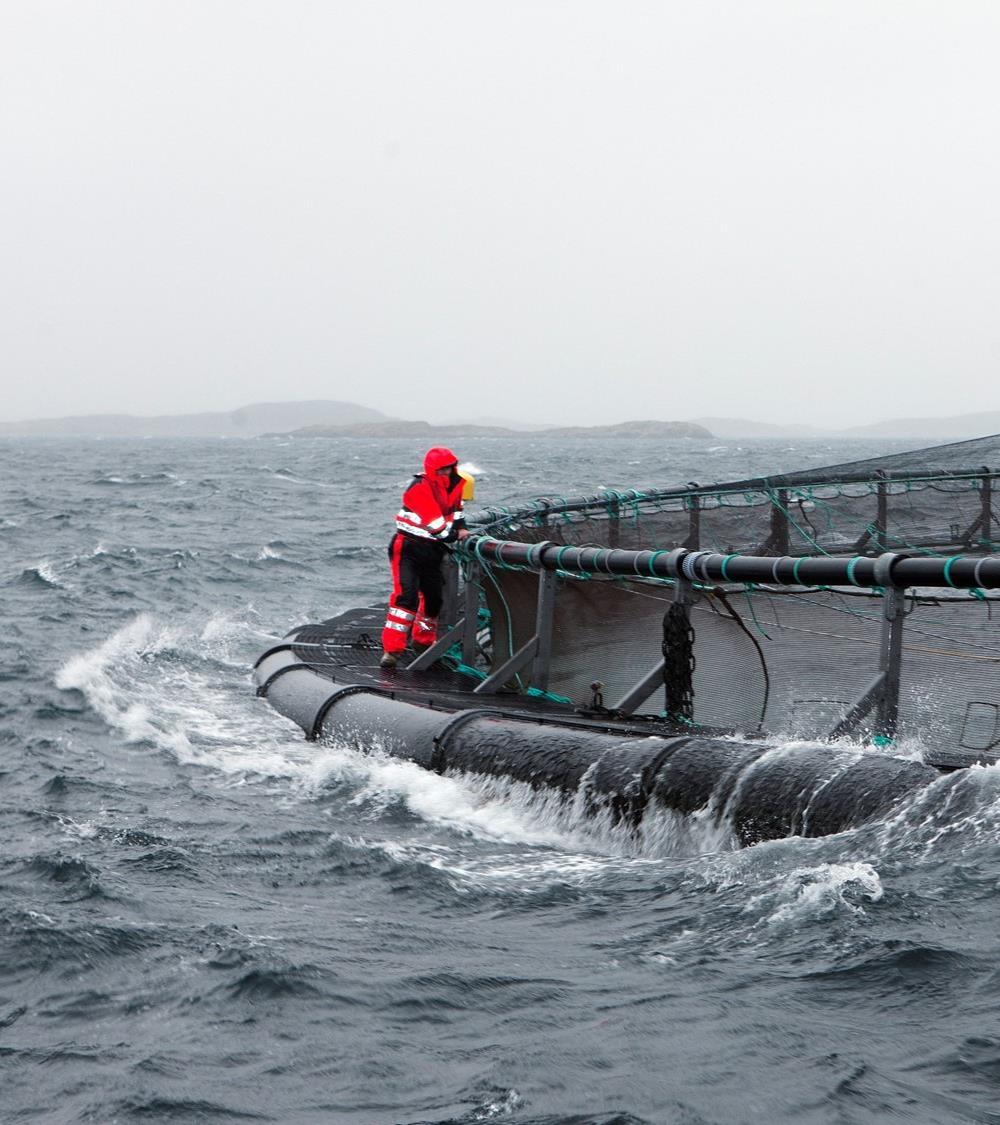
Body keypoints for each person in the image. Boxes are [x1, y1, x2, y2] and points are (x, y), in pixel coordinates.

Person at [380, 447, 471, 669]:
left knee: (433, 599)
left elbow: (456, 511)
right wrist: (450, 535)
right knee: (406, 598)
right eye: (442, 469)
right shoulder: (418, 488)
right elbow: (434, 522)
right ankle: (392, 651)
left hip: (433, 550)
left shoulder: (456, 485)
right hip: (408, 548)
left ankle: (423, 643)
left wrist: (461, 527)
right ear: (432, 470)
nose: (447, 472)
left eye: (449, 468)